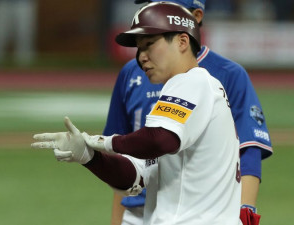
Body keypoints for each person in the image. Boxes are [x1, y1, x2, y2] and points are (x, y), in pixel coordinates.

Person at [32, 2, 242, 224]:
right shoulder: (185, 98)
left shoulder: (195, 81)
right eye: (139, 48)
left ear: (182, 41)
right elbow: (133, 177)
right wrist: (88, 156)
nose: (141, 57)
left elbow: (159, 140)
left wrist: (105, 142)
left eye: (149, 44)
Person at [106, 0, 273, 224]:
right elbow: (123, 156)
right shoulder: (132, 73)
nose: (154, 11)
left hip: (198, 211)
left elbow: (249, 148)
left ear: (196, 16)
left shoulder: (226, 74)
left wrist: (246, 209)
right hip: (139, 208)